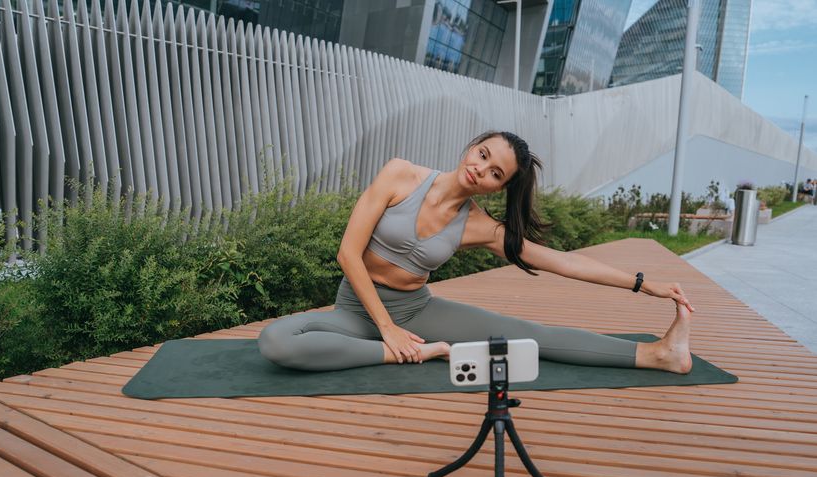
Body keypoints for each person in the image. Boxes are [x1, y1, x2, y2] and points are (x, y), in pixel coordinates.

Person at [258, 131, 694, 374]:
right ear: (471, 145)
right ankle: (406, 353)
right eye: (482, 155)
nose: (479, 170)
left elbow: (564, 262)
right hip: (354, 311)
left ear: (500, 187)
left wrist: (643, 283)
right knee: (276, 341)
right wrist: (388, 332)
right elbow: (348, 255)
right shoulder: (399, 174)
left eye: (494, 173)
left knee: (526, 335)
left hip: (416, 313)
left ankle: (658, 355)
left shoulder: (481, 226)